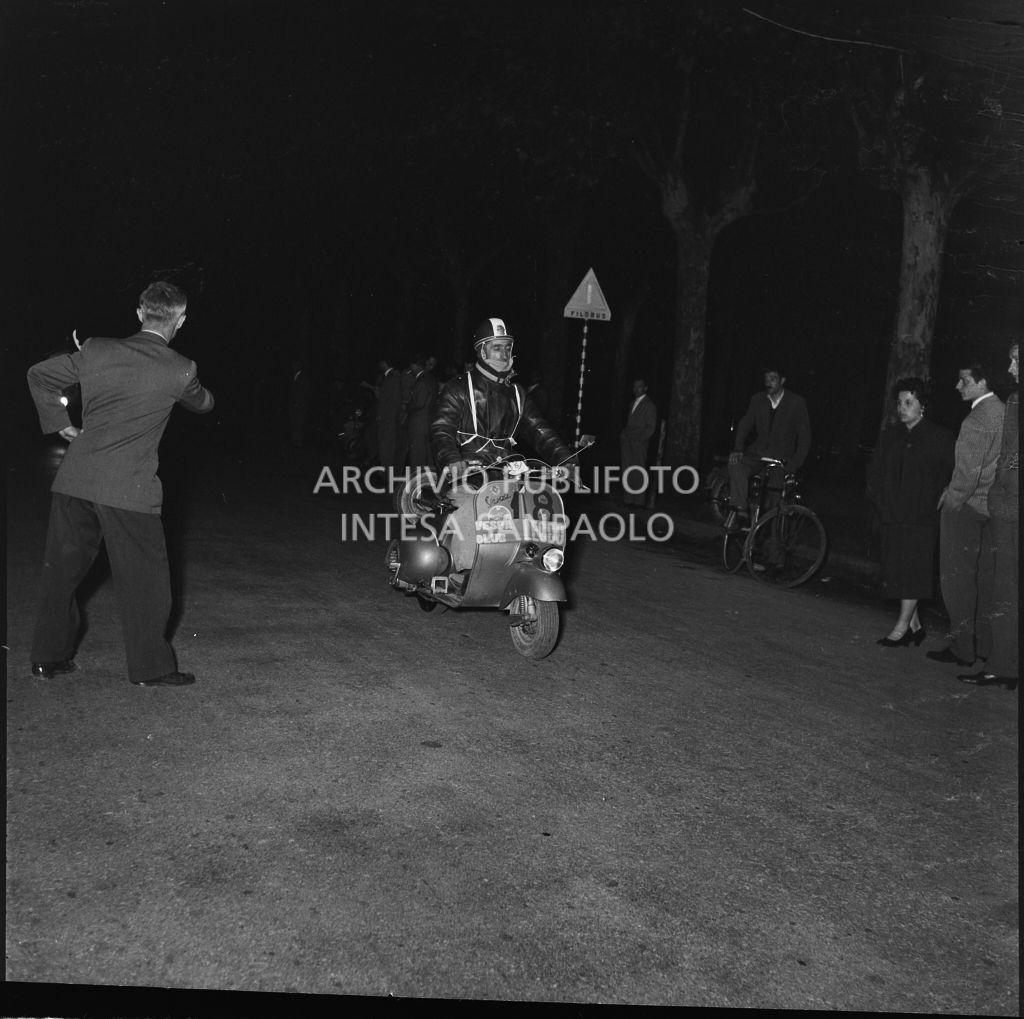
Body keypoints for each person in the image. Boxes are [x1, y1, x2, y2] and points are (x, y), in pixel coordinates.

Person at [26, 281, 215, 687]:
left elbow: (38, 375)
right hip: (129, 490)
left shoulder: (95, 349)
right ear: (180, 320)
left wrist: (61, 425)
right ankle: (152, 669)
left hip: (75, 481)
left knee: (61, 573)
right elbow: (204, 403)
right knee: (146, 581)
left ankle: (48, 659)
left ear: (139, 313)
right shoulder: (180, 368)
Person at [926, 358, 1004, 669]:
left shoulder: (976, 420)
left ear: (982, 383)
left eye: (965, 380)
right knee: (985, 581)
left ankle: (961, 648)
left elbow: (967, 473)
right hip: (993, 508)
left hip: (967, 508)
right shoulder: (1005, 413)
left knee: (957, 579)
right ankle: (984, 646)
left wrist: (953, 498)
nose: (959, 386)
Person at [866, 378, 954, 647]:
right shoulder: (890, 435)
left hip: (921, 517)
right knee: (897, 569)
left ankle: (901, 628)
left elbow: (954, 471)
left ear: (922, 406)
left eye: (909, 403)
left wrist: (948, 490)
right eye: (899, 403)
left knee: (913, 570)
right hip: (893, 513)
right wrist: (881, 502)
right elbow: (876, 472)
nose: (902, 408)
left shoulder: (940, 437)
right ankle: (915, 626)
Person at [959, 343, 1018, 688]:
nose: (1011, 369)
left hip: (1011, 508)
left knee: (1005, 589)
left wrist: (1005, 485)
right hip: (1007, 503)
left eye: (1016, 361)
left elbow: (1013, 455)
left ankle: (1004, 667)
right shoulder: (1013, 401)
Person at [725, 364, 811, 529]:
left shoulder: (796, 403)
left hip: (781, 457)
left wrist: (795, 462)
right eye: (766, 379)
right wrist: (738, 447)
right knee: (736, 464)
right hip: (759, 453)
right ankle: (741, 510)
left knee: (774, 500)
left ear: (782, 381)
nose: (768, 383)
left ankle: (770, 537)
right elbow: (746, 422)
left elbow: (805, 436)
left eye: (773, 379)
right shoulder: (758, 399)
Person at [619, 378, 657, 507]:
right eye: (635, 387)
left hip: (638, 443)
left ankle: (639, 501)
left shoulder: (649, 405)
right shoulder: (632, 403)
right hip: (627, 442)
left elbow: (651, 428)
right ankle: (628, 499)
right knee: (627, 470)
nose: (636, 389)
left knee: (638, 472)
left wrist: (640, 440)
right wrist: (623, 436)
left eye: (639, 387)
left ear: (645, 388)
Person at [406, 352, 438, 469]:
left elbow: (419, 403)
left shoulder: (422, 380)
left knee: (417, 456)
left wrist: (407, 405)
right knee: (427, 455)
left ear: (416, 365)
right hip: (427, 422)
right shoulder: (430, 378)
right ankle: (428, 483)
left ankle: (418, 484)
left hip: (418, 423)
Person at [374, 356, 404, 470]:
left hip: (388, 417)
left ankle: (386, 474)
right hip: (388, 417)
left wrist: (378, 394)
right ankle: (385, 472)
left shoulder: (392, 378)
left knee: (387, 446)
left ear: (384, 363)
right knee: (385, 445)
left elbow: (390, 400)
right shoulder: (391, 377)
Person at [288, 358, 313, 447]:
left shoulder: (303, 378)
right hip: (293, 406)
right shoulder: (294, 377)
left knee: (298, 425)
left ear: (299, 366)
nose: (292, 367)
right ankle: (294, 442)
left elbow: (307, 392)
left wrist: (300, 403)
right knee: (293, 424)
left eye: (295, 365)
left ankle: (297, 444)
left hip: (300, 407)